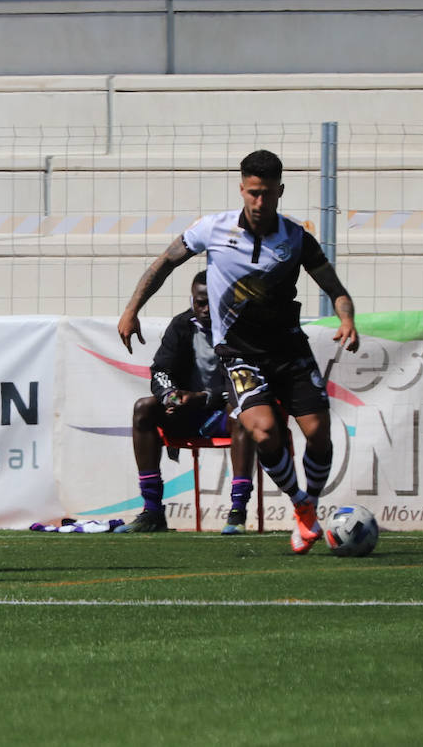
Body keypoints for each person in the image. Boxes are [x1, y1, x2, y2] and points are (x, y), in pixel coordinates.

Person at [118, 149, 360, 554]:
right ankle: (301, 505)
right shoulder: (211, 229)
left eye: (267, 194)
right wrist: (131, 309)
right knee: (264, 430)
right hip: (240, 353)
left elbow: (335, 289)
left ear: (280, 191)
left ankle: (309, 507)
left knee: (318, 434)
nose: (259, 203)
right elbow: (165, 263)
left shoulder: (296, 238)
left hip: (289, 349)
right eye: (252, 193)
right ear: (241, 189)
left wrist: (347, 320)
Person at [114, 270, 256, 535]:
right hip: (188, 414)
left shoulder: (241, 329)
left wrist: (203, 398)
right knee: (144, 408)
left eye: (210, 302)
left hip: (225, 413)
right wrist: (171, 396)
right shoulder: (181, 325)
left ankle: (237, 510)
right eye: (198, 302)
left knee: (241, 411)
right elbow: (160, 371)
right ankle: (152, 511)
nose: (204, 309)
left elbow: (248, 382)